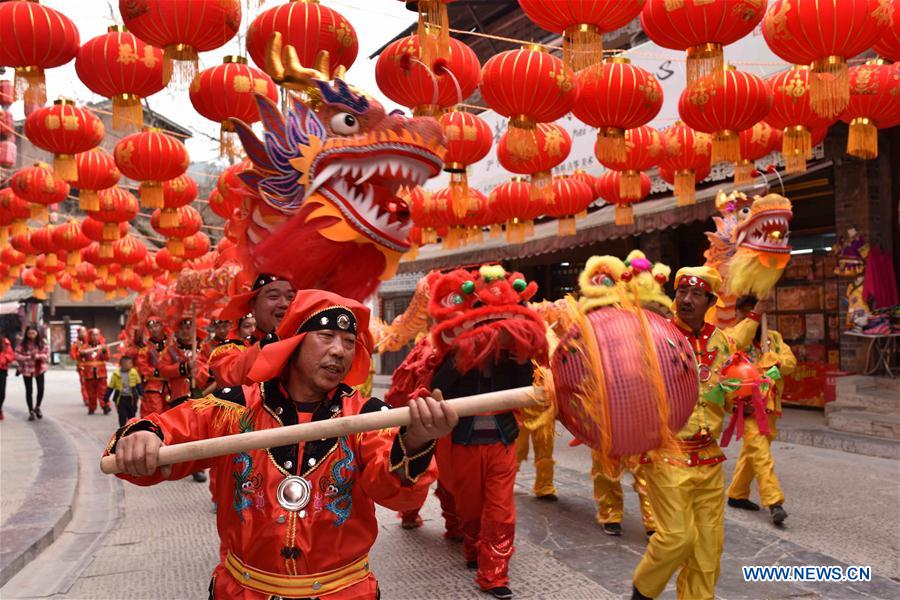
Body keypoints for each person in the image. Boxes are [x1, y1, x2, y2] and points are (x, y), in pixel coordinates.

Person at [106, 290, 456, 599]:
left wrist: (416, 441)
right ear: (296, 342)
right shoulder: (235, 408)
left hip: (342, 593)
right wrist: (144, 436)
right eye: (326, 336)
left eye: (349, 342)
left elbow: (399, 495)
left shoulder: (367, 417)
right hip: (244, 592)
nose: (339, 351)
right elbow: (170, 428)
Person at [632, 266, 734, 600]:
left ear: (711, 302)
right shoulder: (656, 336)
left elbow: (731, 394)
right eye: (682, 292)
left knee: (707, 551)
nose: (687, 300)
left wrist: (750, 389)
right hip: (667, 454)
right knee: (677, 538)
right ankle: (641, 593)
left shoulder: (722, 342)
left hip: (709, 459)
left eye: (697, 294)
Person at [726, 295, 797, 526]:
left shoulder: (773, 338)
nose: (750, 318)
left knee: (754, 451)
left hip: (771, 407)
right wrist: (754, 316)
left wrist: (774, 361)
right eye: (745, 314)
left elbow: (790, 362)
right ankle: (774, 501)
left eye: (755, 313)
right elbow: (733, 351)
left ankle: (737, 493)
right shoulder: (732, 337)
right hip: (746, 407)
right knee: (761, 454)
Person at [212, 274, 296, 387]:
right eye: (273, 296)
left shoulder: (309, 341)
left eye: (291, 297)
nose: (284, 304)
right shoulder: (234, 349)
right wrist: (274, 338)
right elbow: (231, 377)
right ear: (253, 305)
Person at [135, 319, 170, 418]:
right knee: (154, 413)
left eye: (156, 326)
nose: (154, 329)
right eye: (150, 327)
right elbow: (142, 366)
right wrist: (158, 372)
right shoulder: (145, 347)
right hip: (154, 385)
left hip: (171, 385)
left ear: (162, 326)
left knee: (170, 414)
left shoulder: (171, 344)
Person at [15, 325, 50, 421]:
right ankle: (30, 410)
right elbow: (16, 355)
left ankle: (37, 407)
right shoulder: (22, 344)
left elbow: (47, 354)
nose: (31, 335)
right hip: (26, 368)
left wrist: (38, 356)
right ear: (26, 334)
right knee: (29, 391)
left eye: (33, 333)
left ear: (37, 333)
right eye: (29, 333)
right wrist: (27, 357)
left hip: (39, 368)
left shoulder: (42, 343)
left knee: (41, 389)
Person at [105, 355, 143, 427]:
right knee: (122, 415)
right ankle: (122, 429)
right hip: (120, 398)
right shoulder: (116, 374)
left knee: (132, 415)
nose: (130, 365)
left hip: (132, 398)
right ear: (122, 364)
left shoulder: (134, 372)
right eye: (128, 363)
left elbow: (138, 384)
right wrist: (106, 397)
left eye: (131, 363)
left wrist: (141, 394)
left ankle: (131, 429)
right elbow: (111, 386)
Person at [80, 328, 111, 415]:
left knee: (103, 391)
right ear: (90, 336)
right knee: (91, 393)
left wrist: (104, 351)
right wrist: (81, 354)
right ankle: (92, 407)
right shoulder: (85, 347)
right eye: (93, 335)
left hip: (101, 373)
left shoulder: (103, 346)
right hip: (89, 373)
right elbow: (78, 357)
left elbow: (107, 358)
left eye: (97, 335)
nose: (95, 337)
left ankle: (105, 406)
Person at [70, 326, 89, 406]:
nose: (83, 334)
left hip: (91, 366)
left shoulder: (90, 342)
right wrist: (79, 354)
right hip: (82, 366)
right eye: (81, 332)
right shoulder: (76, 344)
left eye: (84, 332)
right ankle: (86, 399)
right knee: (84, 383)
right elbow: (73, 356)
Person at [0, 333, 15, 421]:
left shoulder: (5, 342)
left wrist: (3, 358)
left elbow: (11, 356)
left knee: (1, 392)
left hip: (2, 370)